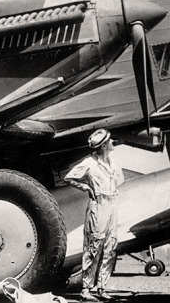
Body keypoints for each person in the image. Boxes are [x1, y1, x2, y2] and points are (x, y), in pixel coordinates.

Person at [64, 129, 124, 302]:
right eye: (110, 141)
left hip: (112, 204)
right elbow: (69, 178)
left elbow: (119, 179)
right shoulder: (89, 163)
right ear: (104, 145)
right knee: (94, 246)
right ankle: (86, 289)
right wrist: (87, 187)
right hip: (98, 205)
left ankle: (101, 287)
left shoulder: (112, 161)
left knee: (110, 246)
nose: (113, 143)